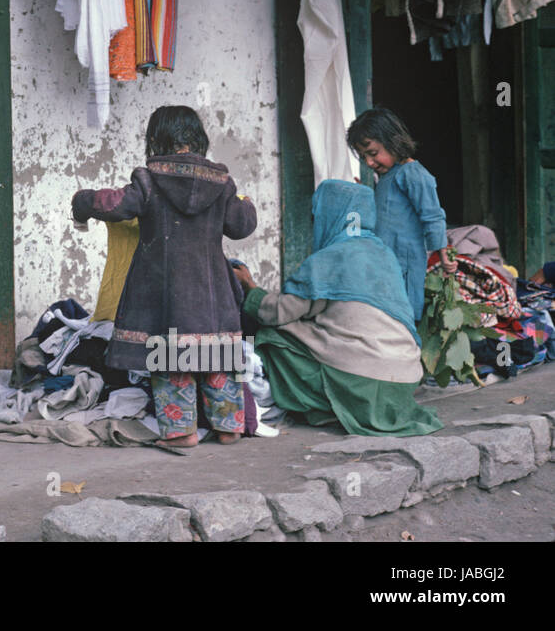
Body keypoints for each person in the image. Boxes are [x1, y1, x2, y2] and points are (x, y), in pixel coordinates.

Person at [71, 105, 256, 448]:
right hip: (213, 292)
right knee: (217, 357)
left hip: (166, 291)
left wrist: (82, 201)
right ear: (198, 138)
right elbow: (241, 225)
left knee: (172, 360)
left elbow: (115, 205)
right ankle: (229, 428)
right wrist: (244, 201)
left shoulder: (149, 179)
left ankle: (181, 432)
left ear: (155, 139)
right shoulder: (222, 183)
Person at [232, 180, 442, 436]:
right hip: (404, 379)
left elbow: (276, 312)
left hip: (363, 380)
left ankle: (315, 406)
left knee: (271, 336)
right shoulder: (384, 255)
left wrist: (250, 286)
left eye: (315, 216)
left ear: (330, 215)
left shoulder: (332, 257)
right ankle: (336, 407)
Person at [346, 106, 454, 321]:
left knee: (403, 312)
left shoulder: (413, 174)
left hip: (405, 263)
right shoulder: (387, 177)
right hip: (385, 260)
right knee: (384, 312)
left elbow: (432, 215)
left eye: (373, 153)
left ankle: (407, 350)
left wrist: (442, 253)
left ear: (393, 141)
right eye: (363, 157)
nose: (369, 162)